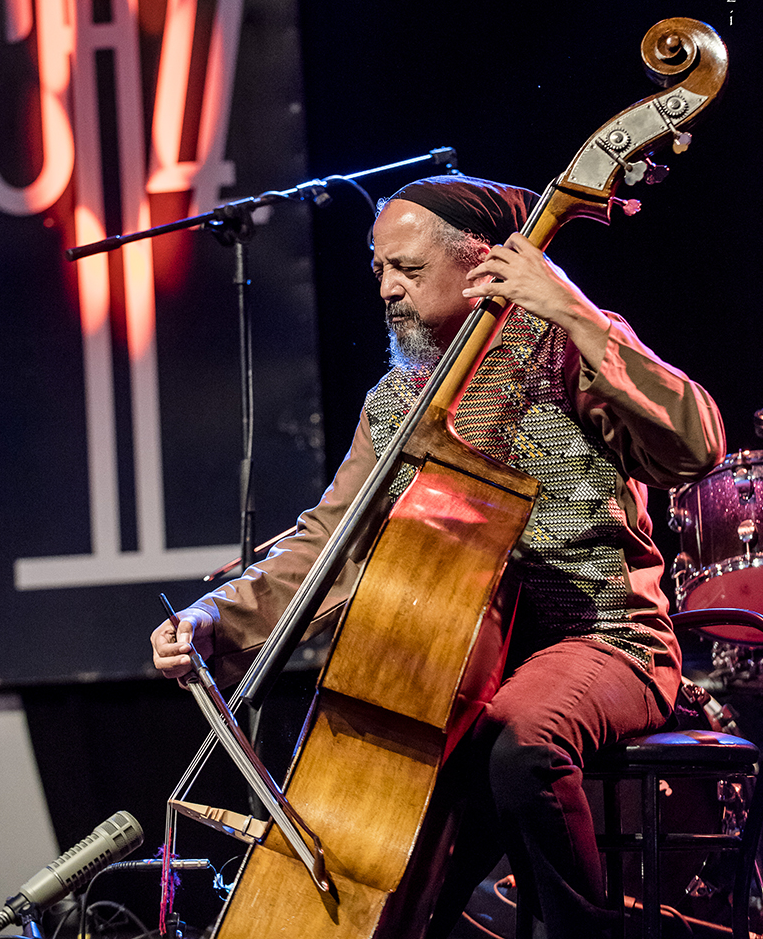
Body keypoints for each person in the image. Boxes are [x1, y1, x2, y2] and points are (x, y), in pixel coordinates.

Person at [150, 175, 724, 939]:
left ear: (483, 264)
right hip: (452, 671)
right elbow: (329, 538)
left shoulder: (566, 344)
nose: (386, 289)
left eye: (408, 271)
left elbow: (696, 445)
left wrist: (575, 312)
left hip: (605, 638)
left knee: (517, 741)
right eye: (379, 270)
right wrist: (209, 617)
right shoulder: (396, 403)